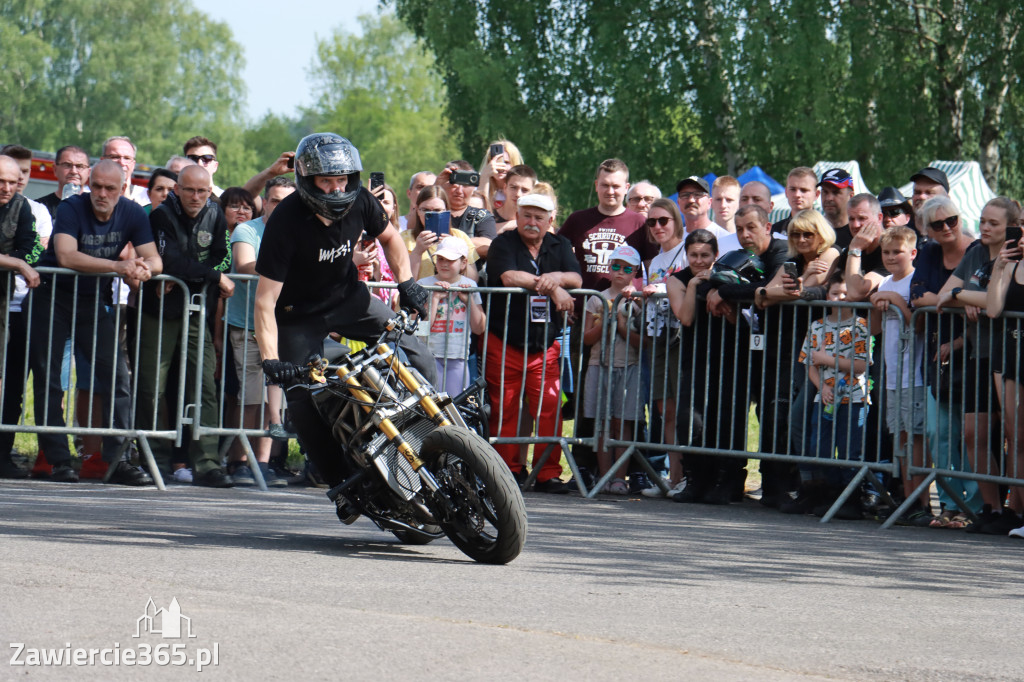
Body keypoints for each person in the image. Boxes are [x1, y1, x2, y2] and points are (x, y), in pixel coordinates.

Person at [254, 133, 436, 509]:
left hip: (349, 300)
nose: (336, 189)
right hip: (297, 316)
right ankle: (343, 485)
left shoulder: (362, 201)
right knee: (303, 400)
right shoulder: (285, 223)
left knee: (418, 354)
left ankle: (434, 439)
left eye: (342, 180)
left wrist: (407, 283)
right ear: (307, 180)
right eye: (326, 181)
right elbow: (265, 301)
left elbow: (391, 238)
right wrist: (272, 361)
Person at [29, 159, 160, 485]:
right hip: (52, 296)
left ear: (122, 189)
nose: (101, 194)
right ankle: (59, 461)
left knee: (116, 377)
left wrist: (144, 269)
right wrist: (119, 268)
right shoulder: (72, 207)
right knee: (50, 380)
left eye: (110, 189)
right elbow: (66, 256)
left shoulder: (131, 212)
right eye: (97, 186)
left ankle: (120, 460)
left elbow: (155, 258)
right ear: (90, 184)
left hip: (91, 303)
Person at [135, 165, 233, 487]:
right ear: (177, 189)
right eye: (189, 190)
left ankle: (207, 463)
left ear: (209, 192)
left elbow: (223, 258)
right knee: (153, 386)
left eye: (202, 191)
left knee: (204, 385)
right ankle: (155, 459)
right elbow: (170, 261)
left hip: (196, 310)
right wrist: (211, 277)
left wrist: (199, 275)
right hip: (159, 310)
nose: (195, 197)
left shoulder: (216, 215)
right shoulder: (161, 215)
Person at [485, 192, 582, 492]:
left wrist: (555, 278)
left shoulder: (560, 244)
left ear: (550, 221)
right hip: (505, 340)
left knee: (550, 407)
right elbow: (509, 277)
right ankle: (508, 471)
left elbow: (576, 280)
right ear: (517, 215)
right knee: (506, 408)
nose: (532, 222)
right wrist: (553, 289)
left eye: (539, 217)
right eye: (526, 215)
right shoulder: (504, 242)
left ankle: (547, 473)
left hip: (544, 344)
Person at [934, 197, 1020, 532]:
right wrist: (962, 297)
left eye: (993, 224)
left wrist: (964, 296)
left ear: (1011, 226)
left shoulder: (1015, 254)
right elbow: (944, 293)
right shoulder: (974, 253)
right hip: (977, 353)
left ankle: (1015, 508)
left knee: (1014, 436)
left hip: (1009, 351)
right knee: (974, 434)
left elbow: (996, 301)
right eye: (982, 221)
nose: (984, 228)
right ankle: (992, 508)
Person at [910, 195, 985, 526]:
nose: (946, 228)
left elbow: (980, 299)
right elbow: (918, 296)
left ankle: (975, 506)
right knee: (938, 434)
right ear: (928, 228)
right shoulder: (928, 251)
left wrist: (944, 299)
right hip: (937, 355)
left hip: (974, 353)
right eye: (937, 224)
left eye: (951, 220)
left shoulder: (977, 250)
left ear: (960, 216)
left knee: (971, 435)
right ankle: (950, 505)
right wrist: (957, 298)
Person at [222, 177, 298, 487]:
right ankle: (240, 461)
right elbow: (243, 266)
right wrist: (288, 269)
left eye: (288, 202)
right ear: (264, 202)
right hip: (247, 324)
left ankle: (263, 463)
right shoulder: (247, 230)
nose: (281, 207)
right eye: (275, 200)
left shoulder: (301, 232)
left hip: (285, 327)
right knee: (250, 398)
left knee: (275, 400)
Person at [793, 271, 872, 519]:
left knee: (849, 448)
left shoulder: (860, 326)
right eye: (835, 293)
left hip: (854, 399)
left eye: (846, 294)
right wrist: (822, 387)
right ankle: (828, 495)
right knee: (821, 446)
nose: (840, 298)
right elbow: (809, 364)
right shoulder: (816, 326)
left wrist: (827, 358)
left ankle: (851, 499)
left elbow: (861, 365)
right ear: (827, 294)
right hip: (825, 398)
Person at [869, 226, 932, 525]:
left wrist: (894, 300)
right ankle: (908, 500)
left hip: (915, 373)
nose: (892, 257)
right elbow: (875, 330)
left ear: (913, 253)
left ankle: (922, 501)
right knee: (900, 438)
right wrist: (877, 305)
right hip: (892, 373)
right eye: (887, 252)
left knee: (916, 439)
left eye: (898, 251)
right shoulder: (884, 282)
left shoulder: (915, 281)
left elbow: (918, 325)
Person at [582, 244, 644, 494]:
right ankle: (605, 476)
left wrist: (619, 323)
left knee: (622, 422)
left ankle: (620, 477)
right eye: (615, 266)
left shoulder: (638, 301)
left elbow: (643, 342)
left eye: (626, 268)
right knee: (601, 423)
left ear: (635, 271)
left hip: (628, 364)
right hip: (599, 364)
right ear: (609, 268)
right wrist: (604, 324)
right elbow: (586, 338)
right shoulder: (596, 298)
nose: (620, 272)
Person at [637, 198, 688, 497]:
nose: (657, 227)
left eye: (663, 221)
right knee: (663, 409)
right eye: (651, 222)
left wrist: (655, 290)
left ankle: (687, 476)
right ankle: (673, 477)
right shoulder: (655, 260)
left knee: (681, 409)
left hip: (679, 336)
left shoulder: (684, 252)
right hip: (656, 336)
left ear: (675, 221)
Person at [0, 156, 43, 479]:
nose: (6, 188)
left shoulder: (22, 207)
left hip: (8, 305)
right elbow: (23, 259)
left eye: (12, 182)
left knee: (11, 384)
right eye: (1, 181)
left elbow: (32, 249)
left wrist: (15, 260)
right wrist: (15, 264)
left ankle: (3, 454)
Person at [986, 217, 1024, 538]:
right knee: (1016, 436)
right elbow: (993, 309)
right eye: (1021, 223)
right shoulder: (1012, 265)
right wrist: (1000, 267)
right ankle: (1018, 511)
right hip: (1012, 353)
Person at [416, 237, 485, 396]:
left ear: (463, 263)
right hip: (428, 355)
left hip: (457, 357)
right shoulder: (423, 283)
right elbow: (420, 329)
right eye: (440, 259)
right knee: (428, 407)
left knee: (455, 406)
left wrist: (469, 302)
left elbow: (479, 327)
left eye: (450, 260)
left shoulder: (470, 285)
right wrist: (434, 299)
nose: (444, 264)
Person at [403, 185, 479, 281]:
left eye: (437, 210)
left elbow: (473, 279)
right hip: (420, 295)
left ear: (447, 211)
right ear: (417, 210)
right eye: (425, 210)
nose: (432, 214)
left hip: (451, 295)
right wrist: (417, 251)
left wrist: (455, 249)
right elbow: (405, 281)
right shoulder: (404, 238)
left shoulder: (460, 236)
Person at [435, 160, 497, 258]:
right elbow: (412, 228)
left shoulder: (481, 215)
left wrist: (452, 241)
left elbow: (489, 245)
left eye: (465, 185)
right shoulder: (432, 212)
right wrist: (436, 188)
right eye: (454, 183)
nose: (459, 190)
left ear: (473, 188)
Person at [36, 145, 90, 219]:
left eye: (79, 166)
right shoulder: (39, 207)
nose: (74, 171)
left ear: (88, 172)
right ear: (55, 170)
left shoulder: (96, 208)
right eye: (67, 165)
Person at [478, 139, 523, 214]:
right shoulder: (477, 184)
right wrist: (484, 178)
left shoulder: (526, 186)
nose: (500, 167)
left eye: (506, 162)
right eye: (495, 162)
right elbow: (478, 215)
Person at [100, 136, 149, 206]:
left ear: (133, 165)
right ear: (102, 161)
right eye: (115, 157)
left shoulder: (146, 198)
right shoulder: (89, 194)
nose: (122, 162)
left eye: (127, 158)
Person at [772, 167, 820, 235]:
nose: (797, 195)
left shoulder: (826, 231)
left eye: (804, 190)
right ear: (786, 192)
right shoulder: (775, 231)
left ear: (816, 194)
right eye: (793, 189)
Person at [492, 165, 538, 233]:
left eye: (524, 190)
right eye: (513, 187)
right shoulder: (489, 217)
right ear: (505, 188)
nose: (518, 194)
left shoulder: (537, 221)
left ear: (532, 193)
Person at [818, 168, 854, 249]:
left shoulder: (858, 231)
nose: (829, 198)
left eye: (836, 192)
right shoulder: (812, 231)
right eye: (825, 192)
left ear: (851, 196)